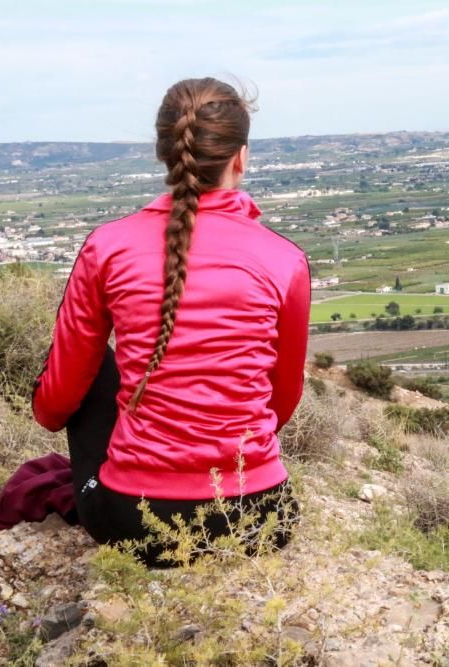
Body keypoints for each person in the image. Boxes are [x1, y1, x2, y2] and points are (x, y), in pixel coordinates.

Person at [30, 77, 310, 566]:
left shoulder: (107, 247)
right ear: (239, 157)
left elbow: (54, 408)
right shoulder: (285, 259)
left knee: (96, 366)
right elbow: (280, 402)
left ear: (164, 153)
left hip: (135, 522)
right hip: (261, 517)